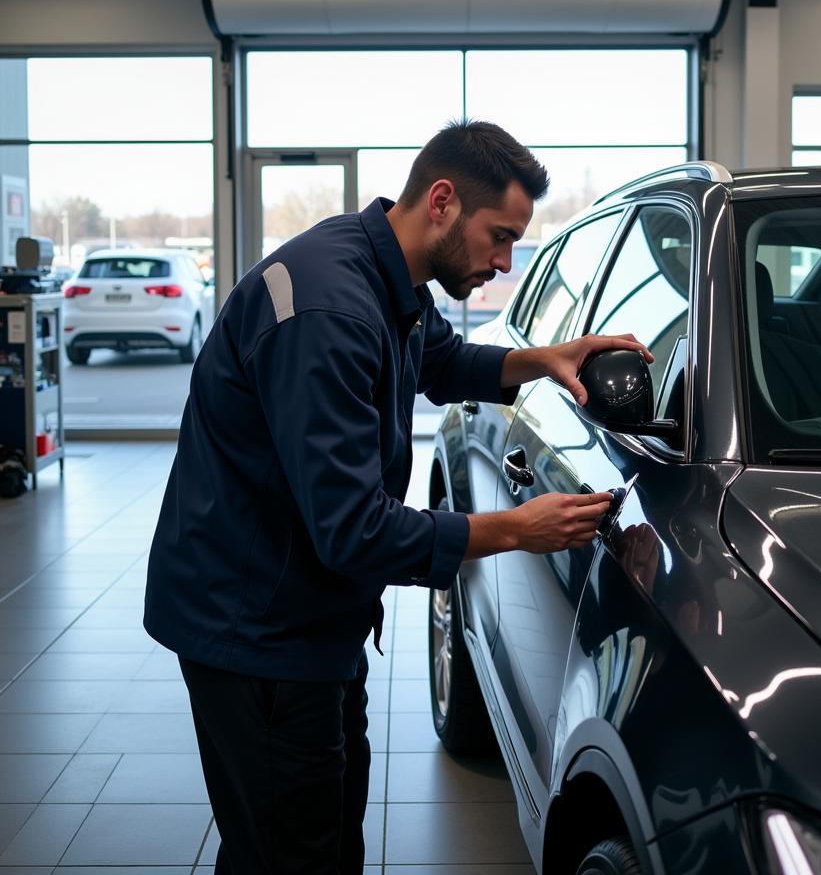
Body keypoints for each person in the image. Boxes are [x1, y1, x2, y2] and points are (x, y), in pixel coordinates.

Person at [143, 119, 652, 874]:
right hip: (256, 634)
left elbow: (438, 361)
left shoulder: (380, 267)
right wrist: (513, 529)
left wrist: (541, 361)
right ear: (443, 201)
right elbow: (353, 531)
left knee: (309, 835)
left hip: (303, 618)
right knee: (293, 853)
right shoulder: (329, 312)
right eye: (500, 236)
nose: (506, 262)